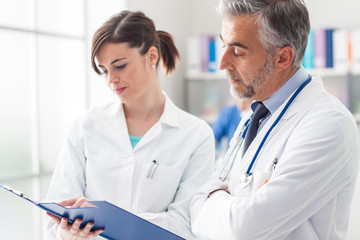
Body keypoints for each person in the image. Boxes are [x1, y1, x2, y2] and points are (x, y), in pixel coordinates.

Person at [190, 0, 360, 239]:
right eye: (223, 46)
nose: (222, 64)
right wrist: (227, 203)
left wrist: (214, 198)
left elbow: (244, 230)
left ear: (282, 58)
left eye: (238, 52)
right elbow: (195, 204)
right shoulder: (253, 116)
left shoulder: (329, 124)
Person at [46, 10, 215, 240]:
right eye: (104, 70)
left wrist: (105, 221)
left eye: (120, 65)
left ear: (152, 56)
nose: (111, 79)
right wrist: (68, 233)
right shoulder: (85, 128)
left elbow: (187, 225)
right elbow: (53, 226)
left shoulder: (196, 135)